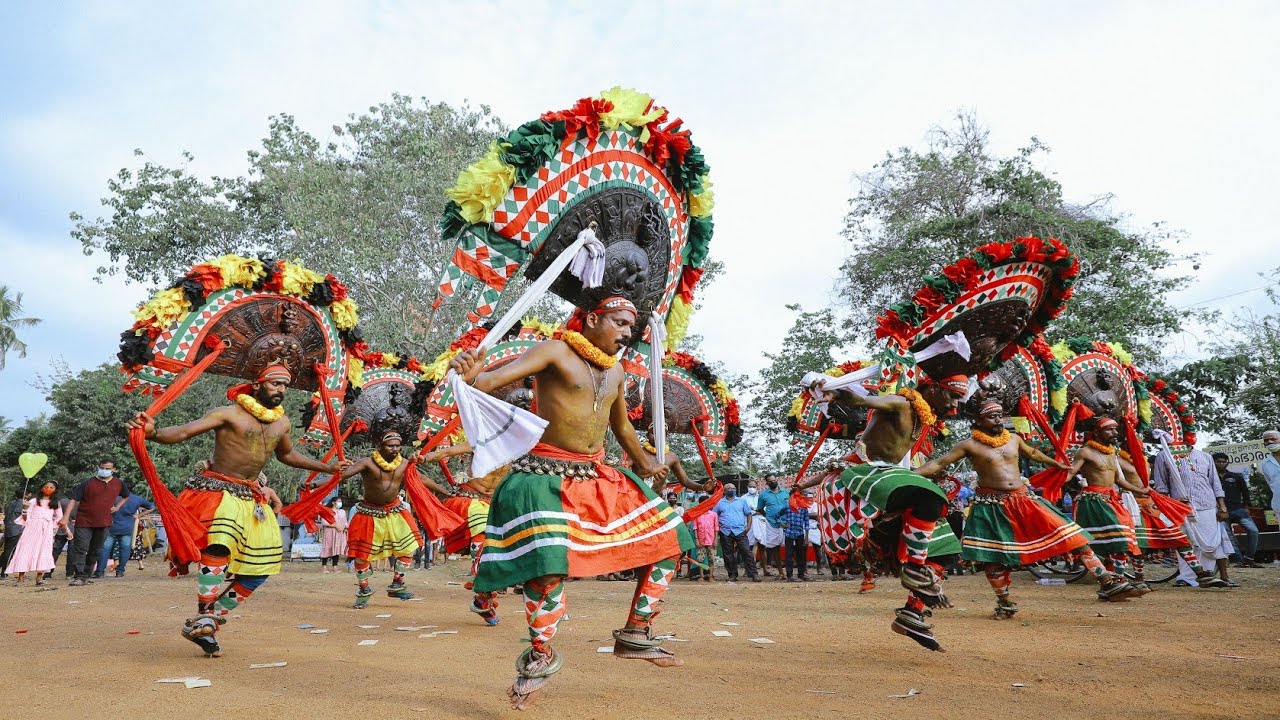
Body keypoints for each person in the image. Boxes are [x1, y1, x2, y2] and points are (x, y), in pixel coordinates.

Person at [451, 296, 692, 709]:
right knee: (548, 570)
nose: (626, 332)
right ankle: (539, 656)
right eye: (618, 322)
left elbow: (622, 428)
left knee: (670, 538)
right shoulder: (554, 351)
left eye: (630, 326)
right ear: (593, 319)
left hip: (595, 477)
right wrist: (472, 377)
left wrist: (648, 463)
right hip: (542, 478)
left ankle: (636, 631)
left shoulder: (616, 371)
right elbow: (489, 383)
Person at [126, 363, 348, 657]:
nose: (281, 389)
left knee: (262, 567)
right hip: (218, 492)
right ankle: (205, 614)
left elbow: (286, 455)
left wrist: (327, 467)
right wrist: (153, 433)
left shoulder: (282, 423)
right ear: (257, 385)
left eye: (285, 385)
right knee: (218, 546)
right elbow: (182, 432)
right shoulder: (228, 414)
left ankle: (207, 621)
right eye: (275, 383)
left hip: (251, 498)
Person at [916, 403, 1141, 619]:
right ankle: (1005, 603)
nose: (998, 420)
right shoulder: (969, 445)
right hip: (990, 505)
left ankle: (1108, 582)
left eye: (1000, 415)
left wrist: (1055, 464)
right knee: (991, 558)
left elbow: (1032, 453)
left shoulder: (1014, 439)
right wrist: (912, 474)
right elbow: (939, 464)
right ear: (979, 421)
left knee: (1071, 536)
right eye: (992, 416)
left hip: (1024, 500)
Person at [796, 374, 968, 652]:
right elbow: (863, 400)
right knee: (930, 497)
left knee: (944, 549)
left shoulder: (924, 419)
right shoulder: (902, 403)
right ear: (935, 386)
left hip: (887, 479)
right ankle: (914, 567)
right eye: (952, 396)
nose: (955, 406)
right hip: (862, 476)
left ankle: (912, 614)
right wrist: (839, 395)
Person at [337, 429, 455, 608]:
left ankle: (397, 583)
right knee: (361, 556)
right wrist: (315, 484)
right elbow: (340, 475)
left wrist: (446, 491)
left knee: (409, 548)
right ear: (380, 446)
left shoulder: (405, 464)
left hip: (396, 513)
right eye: (390, 446)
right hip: (368, 514)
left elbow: (422, 479)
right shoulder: (367, 463)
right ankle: (364, 589)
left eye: (398, 446)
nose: (395, 449)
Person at [1067, 418, 1155, 591]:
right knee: (1102, 542)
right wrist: (1054, 478)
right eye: (1109, 430)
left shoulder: (1113, 454)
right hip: (1092, 501)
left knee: (1123, 541)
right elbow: (1070, 474)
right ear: (1097, 432)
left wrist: (1142, 490)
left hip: (1112, 500)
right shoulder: (1084, 452)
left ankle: (1117, 581)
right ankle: (1113, 582)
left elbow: (1120, 480)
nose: (1115, 433)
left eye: (1115, 429)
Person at [1118, 450, 1229, 587]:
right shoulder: (1117, 458)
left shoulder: (1144, 459)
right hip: (1133, 505)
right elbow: (1118, 481)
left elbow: (1153, 486)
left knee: (1178, 537)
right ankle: (1135, 579)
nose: (1139, 441)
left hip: (1153, 504)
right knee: (1139, 543)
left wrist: (1163, 499)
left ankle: (1200, 574)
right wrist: (1142, 493)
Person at [1153, 443, 1235, 587]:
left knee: (1211, 542)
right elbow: (1162, 486)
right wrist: (1169, 504)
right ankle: (1185, 577)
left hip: (1207, 505)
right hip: (1180, 507)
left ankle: (1208, 575)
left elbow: (1215, 484)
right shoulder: (1164, 455)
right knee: (1185, 543)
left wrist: (1222, 507)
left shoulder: (1206, 457)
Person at [63, 460, 131, 586]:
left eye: (107, 468)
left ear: (114, 469)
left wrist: (117, 507)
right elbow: (74, 499)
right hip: (84, 521)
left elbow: (126, 495)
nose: (104, 470)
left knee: (95, 550)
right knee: (80, 548)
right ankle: (79, 576)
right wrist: (66, 517)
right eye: (102, 467)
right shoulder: (87, 483)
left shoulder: (118, 483)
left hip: (104, 522)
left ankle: (87, 575)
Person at [4, 480, 69, 585]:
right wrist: (25, 509)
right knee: (25, 550)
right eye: (46, 486)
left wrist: (55, 526)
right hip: (31, 528)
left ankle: (39, 578)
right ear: (41, 488)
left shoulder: (55, 503)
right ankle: (20, 578)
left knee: (43, 551)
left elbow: (60, 518)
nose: (48, 489)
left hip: (46, 530)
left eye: (51, 487)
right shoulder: (34, 501)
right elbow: (25, 518)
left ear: (55, 490)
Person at [1214, 452, 1260, 567]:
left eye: (1224, 461)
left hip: (1238, 509)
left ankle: (1249, 558)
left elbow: (1245, 492)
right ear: (1213, 463)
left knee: (1253, 531)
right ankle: (1239, 561)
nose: (1221, 464)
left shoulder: (1236, 476)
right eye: (1218, 462)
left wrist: (1246, 507)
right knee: (1229, 537)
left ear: (1227, 463)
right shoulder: (1210, 478)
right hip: (1221, 512)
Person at [97, 492, 154, 578]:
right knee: (125, 550)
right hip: (127, 528)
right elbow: (152, 507)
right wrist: (138, 515)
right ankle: (120, 572)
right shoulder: (137, 499)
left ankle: (100, 572)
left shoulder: (111, 496)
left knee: (105, 549)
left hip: (111, 528)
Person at [714, 484, 759, 582]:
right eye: (729, 489)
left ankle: (754, 574)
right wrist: (718, 528)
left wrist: (748, 527)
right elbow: (714, 515)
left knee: (747, 552)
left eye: (733, 488)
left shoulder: (742, 501)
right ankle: (732, 574)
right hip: (725, 531)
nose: (731, 490)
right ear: (724, 491)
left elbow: (749, 514)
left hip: (740, 531)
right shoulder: (719, 502)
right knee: (728, 554)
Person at [753, 476, 788, 578]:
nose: (773, 482)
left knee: (791, 547)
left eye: (774, 480)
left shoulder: (786, 492)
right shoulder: (763, 494)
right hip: (772, 523)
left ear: (777, 480)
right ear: (767, 483)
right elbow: (760, 508)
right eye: (770, 481)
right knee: (775, 547)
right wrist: (767, 516)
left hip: (787, 522)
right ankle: (781, 572)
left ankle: (794, 572)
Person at [781, 489, 812, 581]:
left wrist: (806, 538)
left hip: (800, 533)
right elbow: (777, 516)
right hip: (789, 532)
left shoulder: (803, 506)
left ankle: (801, 574)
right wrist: (783, 524)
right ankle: (790, 575)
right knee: (789, 554)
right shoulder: (786, 505)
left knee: (801, 554)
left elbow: (807, 522)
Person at [688, 493, 719, 582]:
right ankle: (701, 576)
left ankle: (711, 576)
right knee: (700, 559)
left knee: (711, 558)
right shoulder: (697, 515)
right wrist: (697, 540)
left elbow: (716, 528)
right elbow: (695, 528)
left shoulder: (714, 514)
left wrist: (715, 539)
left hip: (711, 540)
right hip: (701, 540)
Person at [1, 489, 31, 578]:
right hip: (17, 530)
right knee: (11, 552)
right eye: (28, 494)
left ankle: (6, 570)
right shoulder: (24, 505)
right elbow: (26, 518)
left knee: (8, 551)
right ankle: (4, 572)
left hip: (9, 529)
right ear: (25, 495)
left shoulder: (11, 503)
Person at [318, 496, 348, 573]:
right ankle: (324, 567)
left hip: (339, 533)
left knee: (337, 549)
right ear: (333, 502)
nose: (340, 503)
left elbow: (345, 522)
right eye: (338, 501)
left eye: (340, 501)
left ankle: (335, 567)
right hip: (329, 532)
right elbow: (324, 522)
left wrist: (345, 527)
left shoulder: (342, 512)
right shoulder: (327, 511)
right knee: (327, 548)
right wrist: (335, 526)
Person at [1259, 431, 1280, 534]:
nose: (1270, 441)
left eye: (1273, 439)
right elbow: (1271, 485)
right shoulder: (1265, 464)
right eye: (1266, 440)